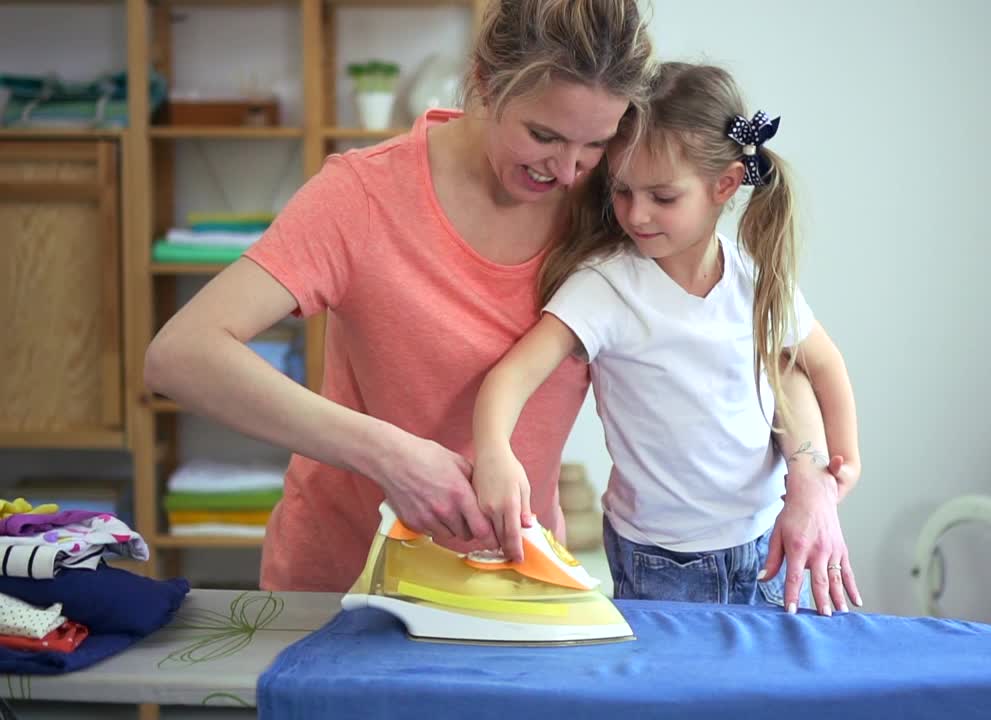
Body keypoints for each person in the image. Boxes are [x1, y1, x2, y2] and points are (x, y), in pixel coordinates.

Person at [142, 0, 656, 592]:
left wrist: (794, 455)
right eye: (544, 135)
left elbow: (739, 313)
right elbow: (180, 354)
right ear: (485, 85)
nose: (568, 171)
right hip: (343, 586)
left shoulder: (613, 205)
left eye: (594, 143)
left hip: (513, 591)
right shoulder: (365, 196)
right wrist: (389, 455)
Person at [472, 62, 864, 615]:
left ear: (724, 184)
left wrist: (839, 465)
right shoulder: (606, 285)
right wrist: (493, 452)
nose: (636, 213)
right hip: (657, 561)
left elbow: (821, 364)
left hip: (765, 547)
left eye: (662, 196)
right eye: (623, 191)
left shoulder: (755, 277)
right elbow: (511, 376)